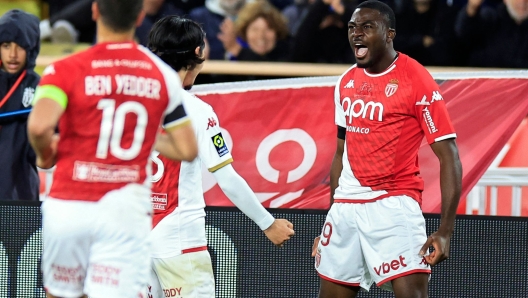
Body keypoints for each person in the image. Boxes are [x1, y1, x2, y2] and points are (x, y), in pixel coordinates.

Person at [27, 0, 198, 297]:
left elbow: (40, 127)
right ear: (140, 16)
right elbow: (186, 148)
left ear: (94, 12)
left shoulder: (64, 70)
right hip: (124, 210)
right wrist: (143, 135)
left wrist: (46, 155)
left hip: (70, 205)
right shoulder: (162, 77)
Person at [310, 1, 462, 297]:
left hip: (393, 205)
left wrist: (445, 231)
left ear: (389, 34)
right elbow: (341, 153)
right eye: (353, 28)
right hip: (345, 210)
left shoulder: (416, 79)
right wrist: (331, 215)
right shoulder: (345, 82)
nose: (357, 34)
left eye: (367, 27)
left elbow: (449, 155)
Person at [145, 15, 295, 298]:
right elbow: (225, 177)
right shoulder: (197, 111)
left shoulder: (132, 102)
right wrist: (268, 223)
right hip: (179, 238)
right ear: (199, 53)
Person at [0, 9, 41, 201]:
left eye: (21, 46)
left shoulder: (41, 86)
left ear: (32, 48)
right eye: (6, 45)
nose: (13, 55)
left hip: (20, 194)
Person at [454, 0, 528, 68]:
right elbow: (464, 32)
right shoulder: (490, 18)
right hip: (487, 80)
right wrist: (472, 7)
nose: (522, 2)